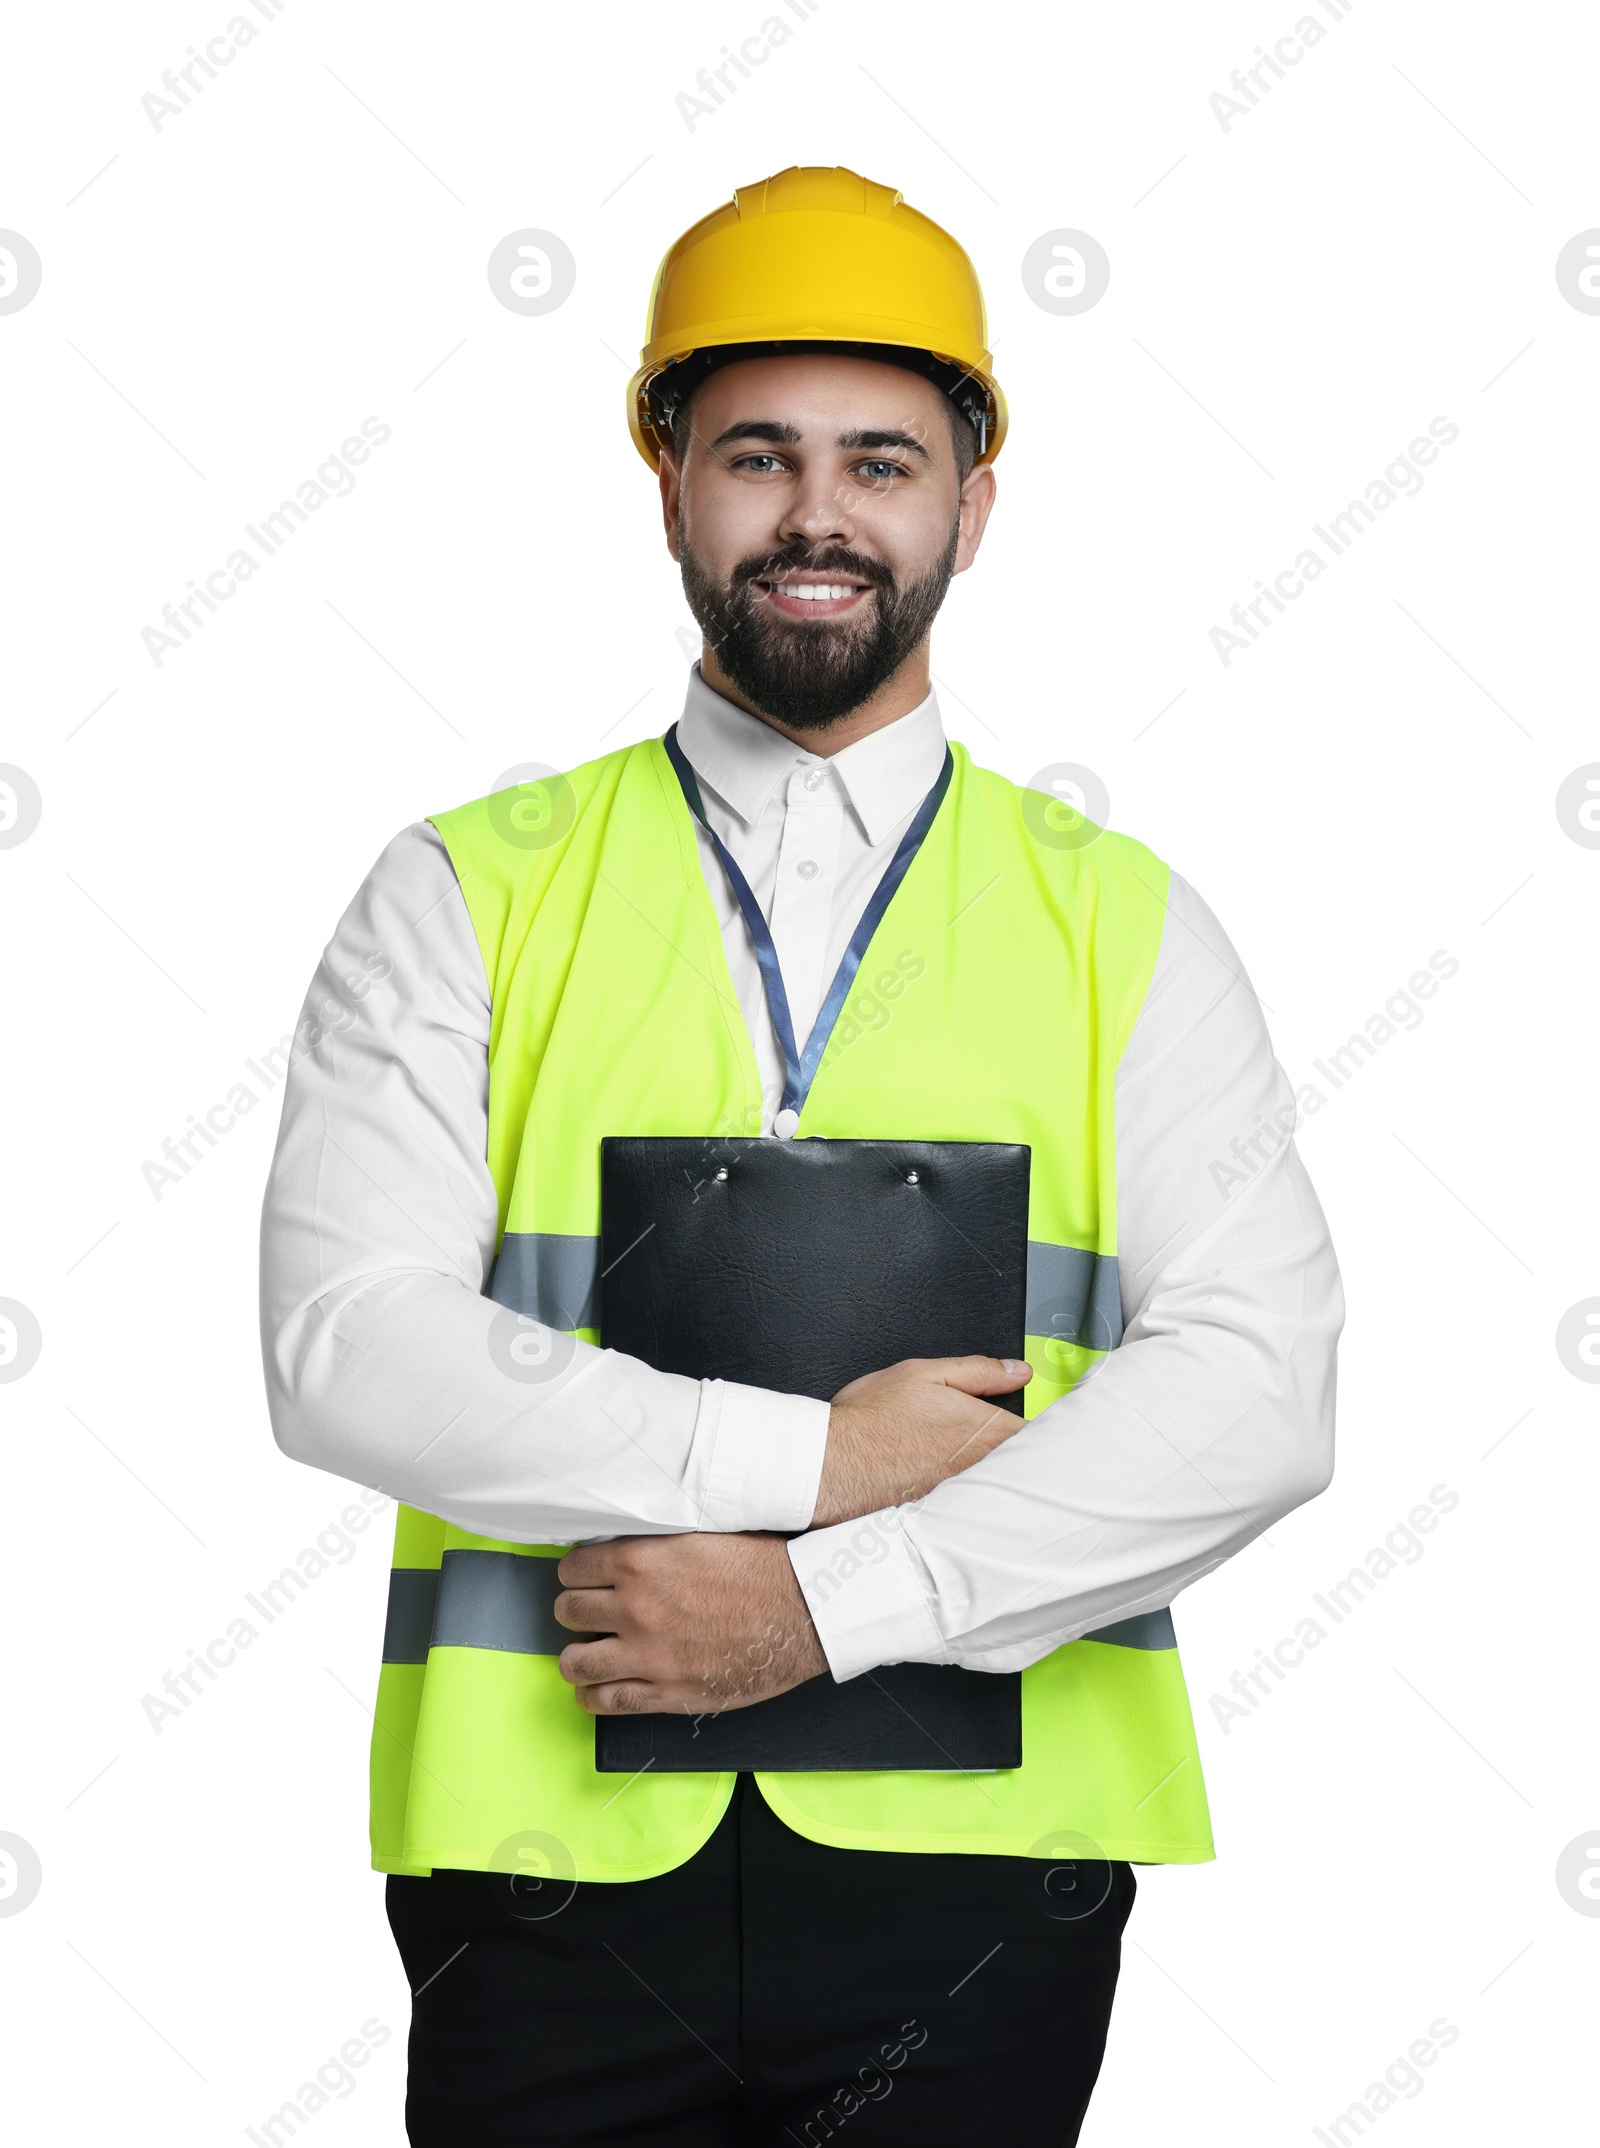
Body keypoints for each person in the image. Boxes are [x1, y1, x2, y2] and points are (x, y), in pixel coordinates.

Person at [259, 164, 1343, 2146]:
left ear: (969, 505)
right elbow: (343, 1345)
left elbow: (1259, 1395)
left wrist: (829, 1604)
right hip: (546, 1872)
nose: (819, 514)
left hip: (979, 1881)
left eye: (880, 459)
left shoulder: (1122, 923)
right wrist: (818, 1469)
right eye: (756, 454)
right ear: (669, 481)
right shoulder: (459, 897)